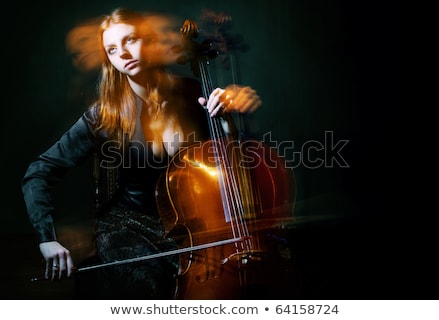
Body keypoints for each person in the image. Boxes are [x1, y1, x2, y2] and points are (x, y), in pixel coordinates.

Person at [21, 7, 261, 299]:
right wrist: (47, 239)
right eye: (111, 49)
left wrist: (228, 118)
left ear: (148, 41)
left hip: (194, 224)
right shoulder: (102, 115)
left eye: (130, 40)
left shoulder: (192, 93)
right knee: (152, 283)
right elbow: (39, 173)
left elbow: (232, 161)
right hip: (131, 223)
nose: (122, 53)